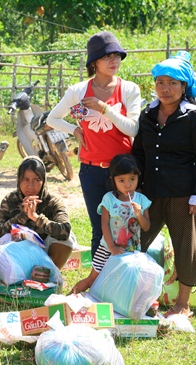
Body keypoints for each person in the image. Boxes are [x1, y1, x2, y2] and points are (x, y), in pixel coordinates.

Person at [46, 31, 141, 259]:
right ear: (94, 63)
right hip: (91, 171)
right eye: (107, 56)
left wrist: (104, 108)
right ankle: (100, 277)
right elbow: (52, 119)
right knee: (100, 229)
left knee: (127, 225)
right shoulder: (78, 92)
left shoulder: (129, 89)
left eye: (117, 55)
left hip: (123, 173)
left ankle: (127, 273)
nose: (114, 60)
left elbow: (132, 129)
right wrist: (74, 130)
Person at [131, 55, 196, 318]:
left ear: (184, 86)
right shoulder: (148, 114)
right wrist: (135, 188)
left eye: (172, 83)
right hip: (151, 193)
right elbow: (139, 153)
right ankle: (134, 294)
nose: (165, 88)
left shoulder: (195, 117)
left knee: (184, 247)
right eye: (160, 82)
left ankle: (183, 304)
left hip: (182, 195)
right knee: (136, 242)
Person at [71, 154, 151, 293]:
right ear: (113, 180)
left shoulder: (142, 200)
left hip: (132, 252)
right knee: (92, 279)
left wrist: (139, 214)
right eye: (122, 180)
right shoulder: (108, 199)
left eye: (132, 179)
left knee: (125, 284)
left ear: (138, 177)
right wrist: (112, 247)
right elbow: (104, 224)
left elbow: (146, 227)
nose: (128, 185)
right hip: (106, 249)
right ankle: (66, 299)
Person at [0, 156, 77, 269]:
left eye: (36, 180)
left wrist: (36, 218)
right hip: (19, 252)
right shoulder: (10, 200)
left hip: (46, 252)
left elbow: (65, 230)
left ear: (43, 181)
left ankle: (47, 272)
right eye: (25, 180)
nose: (30, 186)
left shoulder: (52, 201)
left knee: (69, 238)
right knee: (6, 238)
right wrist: (22, 216)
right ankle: (21, 271)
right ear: (19, 180)